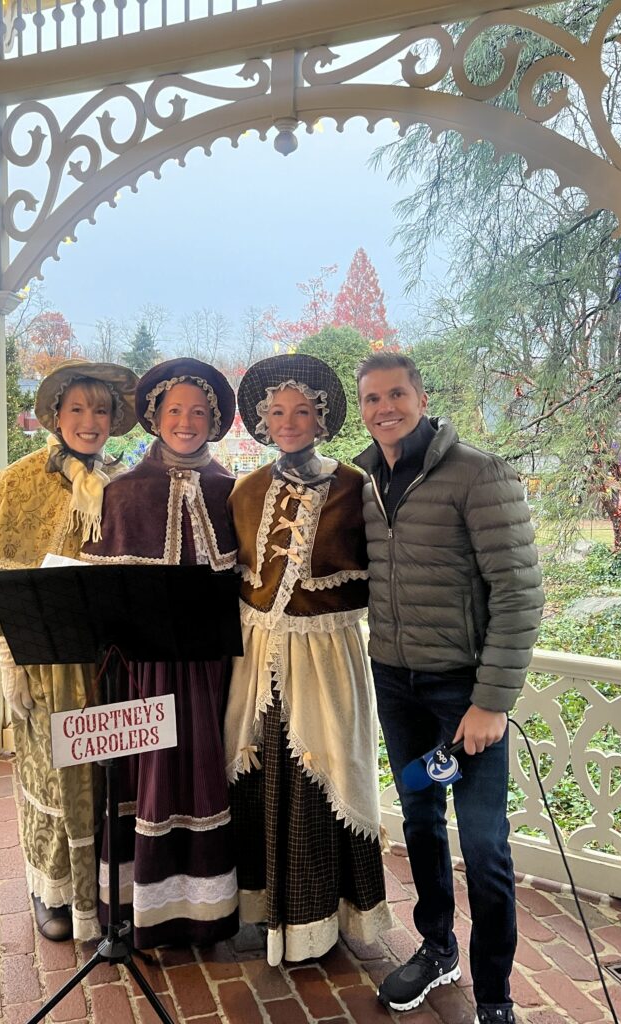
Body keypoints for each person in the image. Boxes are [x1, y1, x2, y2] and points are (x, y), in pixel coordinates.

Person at [353, 351, 544, 1024]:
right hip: (396, 684)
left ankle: (494, 996)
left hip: (464, 691)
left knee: (485, 843)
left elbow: (519, 592)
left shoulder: (478, 473)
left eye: (396, 394)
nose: (385, 408)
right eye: (372, 398)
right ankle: (438, 949)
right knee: (421, 821)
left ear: (422, 396)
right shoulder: (365, 479)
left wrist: (491, 699)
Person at [0, 359, 139, 942]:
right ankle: (52, 893)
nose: (89, 421)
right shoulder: (20, 481)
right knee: (57, 777)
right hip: (44, 665)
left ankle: (106, 892)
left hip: (109, 662)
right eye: (77, 408)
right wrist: (8, 662)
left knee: (109, 778)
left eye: (101, 410)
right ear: (54, 416)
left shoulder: (124, 484)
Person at [225, 353, 393, 967]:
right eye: (277, 412)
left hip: (328, 653)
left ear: (322, 418)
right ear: (262, 422)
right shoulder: (245, 491)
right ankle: (261, 909)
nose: (289, 421)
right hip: (257, 655)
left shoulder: (355, 486)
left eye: (302, 411)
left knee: (325, 774)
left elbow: (388, 571)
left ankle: (320, 920)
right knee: (258, 769)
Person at [82, 357, 239, 948]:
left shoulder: (233, 491)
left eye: (198, 411)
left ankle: (205, 909)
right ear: (155, 416)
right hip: (143, 671)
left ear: (215, 420)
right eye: (174, 410)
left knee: (205, 772)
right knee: (141, 779)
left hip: (208, 669)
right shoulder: (122, 493)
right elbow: (97, 596)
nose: (186, 421)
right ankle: (137, 906)